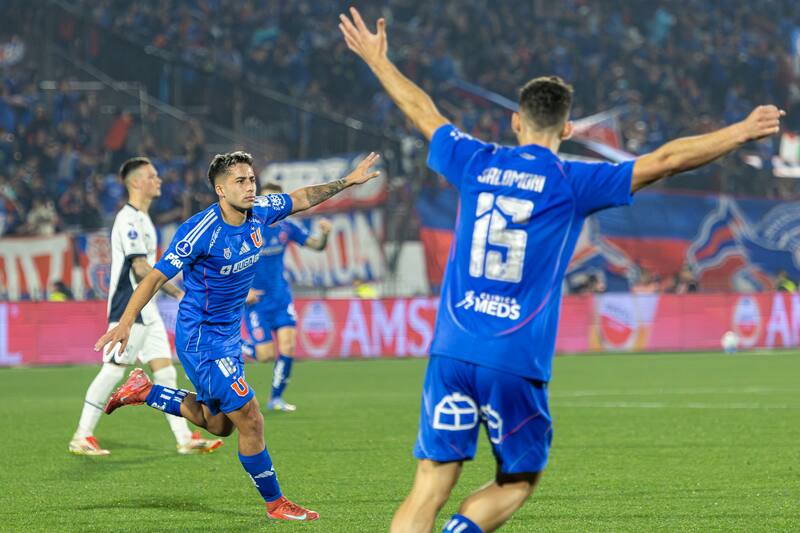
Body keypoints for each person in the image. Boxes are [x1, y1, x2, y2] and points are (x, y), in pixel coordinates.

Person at [338, 7, 785, 533]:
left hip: (452, 349)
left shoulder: (474, 160)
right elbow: (666, 160)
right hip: (513, 357)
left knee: (429, 486)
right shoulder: (573, 180)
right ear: (568, 128)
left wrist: (377, 60)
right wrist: (739, 132)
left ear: (514, 121)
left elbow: (423, 110)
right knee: (519, 478)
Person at [96, 150, 381, 522]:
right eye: (240, 181)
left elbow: (303, 197)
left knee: (219, 425)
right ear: (219, 189)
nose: (250, 187)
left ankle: (145, 391)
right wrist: (124, 321)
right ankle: (276, 503)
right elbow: (153, 277)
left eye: (251, 179)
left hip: (229, 335)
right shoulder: (200, 232)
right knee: (251, 418)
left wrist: (347, 181)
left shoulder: (261, 210)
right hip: (201, 338)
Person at [69, 157, 222, 456]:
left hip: (148, 310)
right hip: (131, 309)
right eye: (153, 176)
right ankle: (81, 435)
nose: (159, 180)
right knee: (113, 371)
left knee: (165, 372)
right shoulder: (128, 219)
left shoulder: (143, 219)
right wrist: (178, 293)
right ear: (137, 182)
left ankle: (184, 439)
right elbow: (141, 268)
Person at [242, 181, 332, 412]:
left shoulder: (287, 228)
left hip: (281, 298)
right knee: (265, 355)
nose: (271, 206)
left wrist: (324, 235)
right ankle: (233, 343)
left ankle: (276, 399)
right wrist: (243, 292)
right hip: (256, 301)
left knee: (289, 347)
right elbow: (228, 264)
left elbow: (317, 246)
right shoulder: (245, 229)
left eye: (276, 201)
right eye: (266, 201)